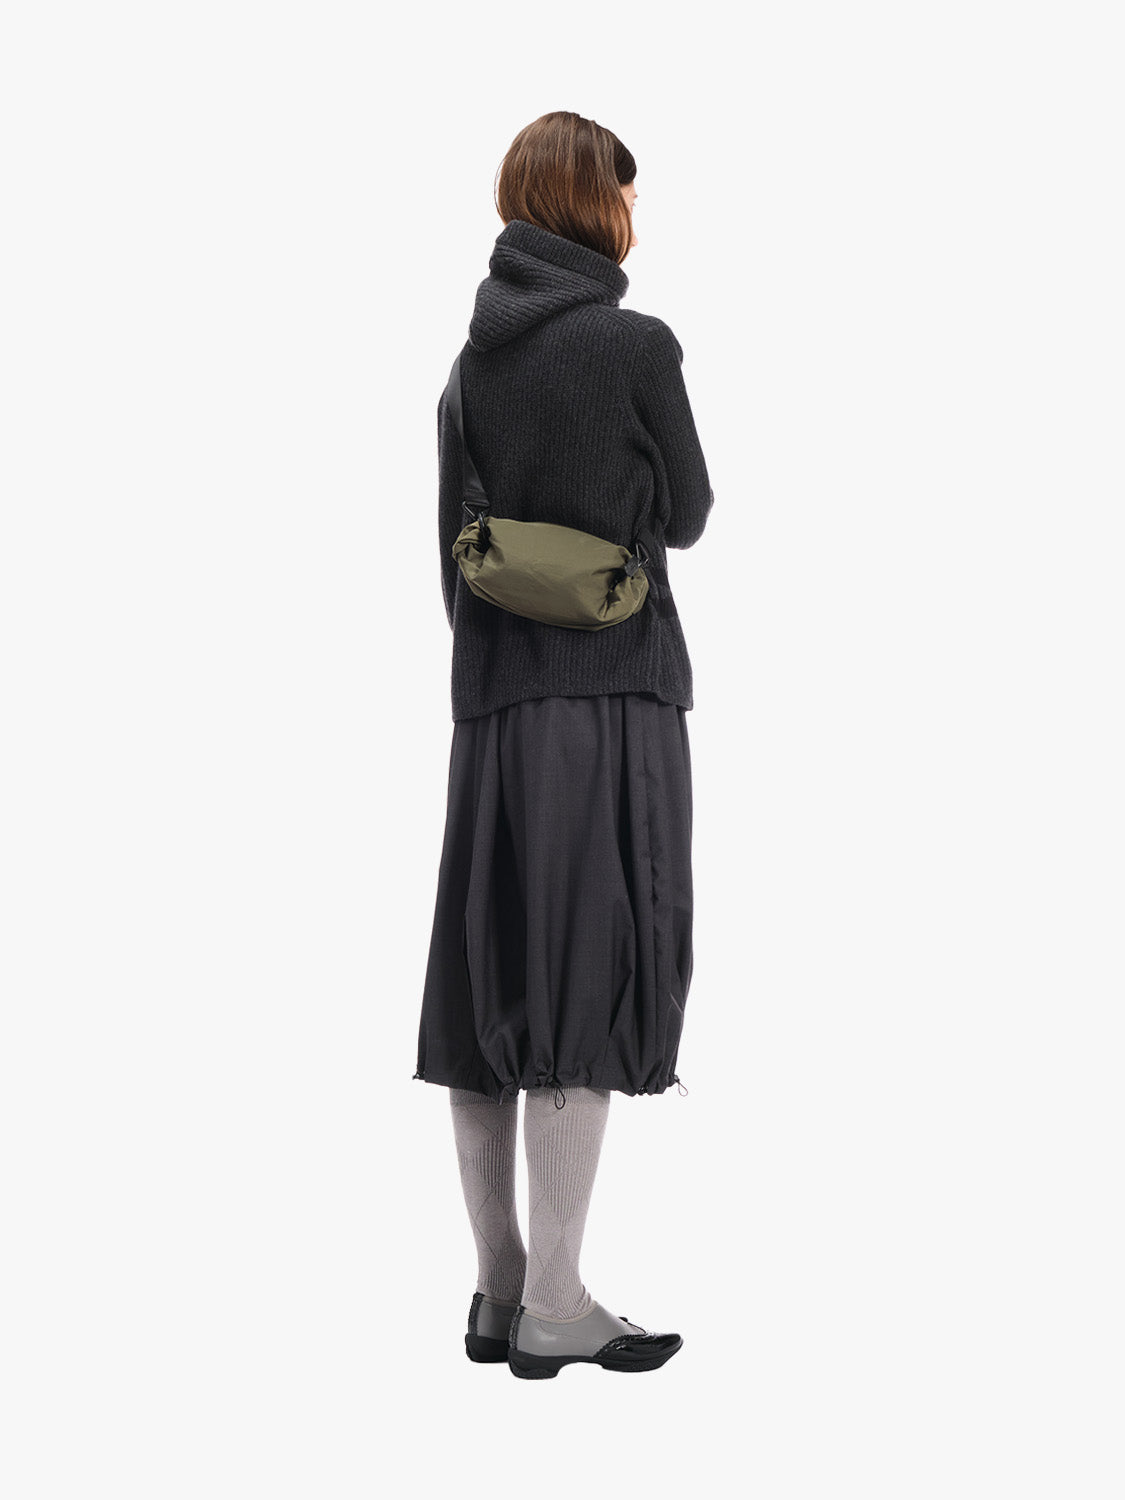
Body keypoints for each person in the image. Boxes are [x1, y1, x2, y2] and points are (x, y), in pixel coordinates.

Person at [412, 111, 714, 1378]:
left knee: (490, 994)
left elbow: (451, 555)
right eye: (628, 196)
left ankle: (498, 1294)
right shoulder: (636, 345)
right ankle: (559, 1303)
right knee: (585, 984)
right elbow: (689, 515)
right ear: (596, 204)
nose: (636, 217)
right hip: (609, 699)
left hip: (492, 715)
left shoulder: (468, 366)